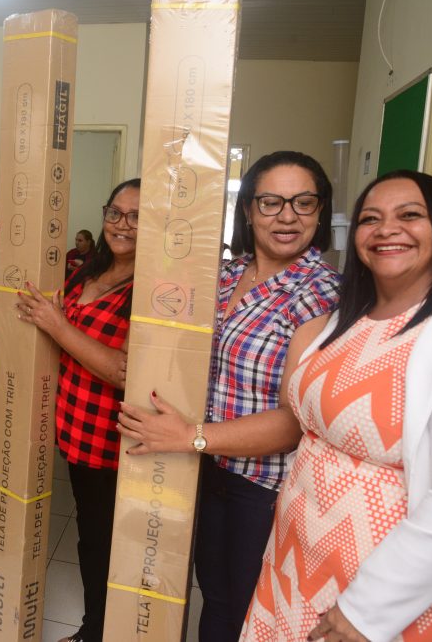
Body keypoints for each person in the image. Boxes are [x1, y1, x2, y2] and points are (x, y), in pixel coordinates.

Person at [117, 151, 341, 641]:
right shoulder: (222, 275)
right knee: (216, 597)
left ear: (320, 211)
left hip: (263, 489)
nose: (287, 216)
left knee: (249, 608)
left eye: (303, 202)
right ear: (248, 210)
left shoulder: (318, 291)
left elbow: (294, 420)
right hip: (209, 471)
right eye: (271, 202)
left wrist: (191, 436)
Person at [240, 171, 432, 641]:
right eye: (370, 219)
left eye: (410, 215)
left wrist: (366, 611)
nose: (387, 229)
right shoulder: (346, 318)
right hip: (295, 558)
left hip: (384, 591)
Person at [15, 180, 138, 642]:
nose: (122, 224)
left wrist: (58, 325)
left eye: (137, 216)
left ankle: (99, 631)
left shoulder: (149, 289)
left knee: (108, 544)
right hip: (74, 431)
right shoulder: (87, 271)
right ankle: (97, 626)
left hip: (112, 443)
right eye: (115, 212)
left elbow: (125, 370)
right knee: (92, 538)